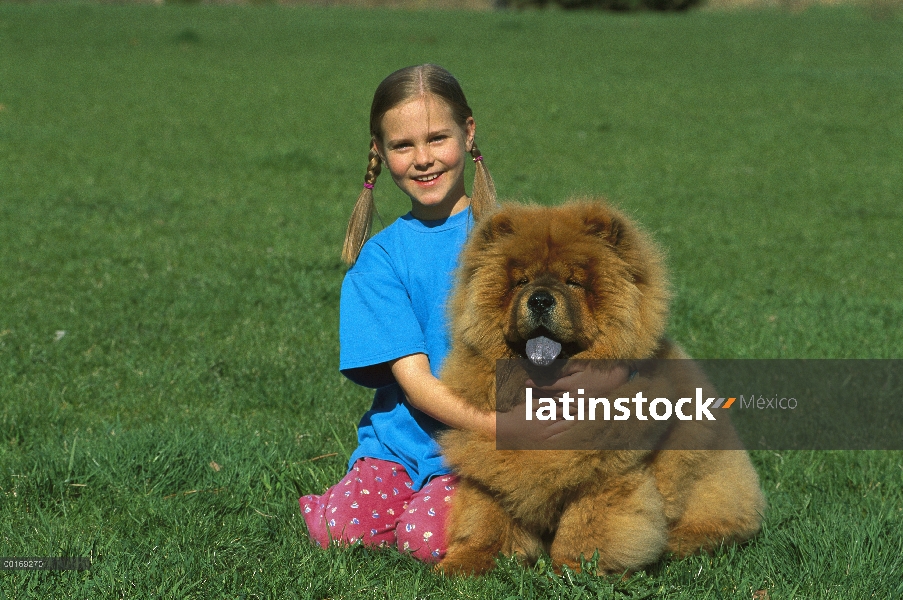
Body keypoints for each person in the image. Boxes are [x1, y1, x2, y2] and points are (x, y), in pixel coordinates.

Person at [300, 64, 627, 563]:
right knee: (339, 531)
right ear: (379, 152)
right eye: (403, 145)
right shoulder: (381, 259)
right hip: (404, 443)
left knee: (428, 539)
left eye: (437, 139)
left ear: (468, 133)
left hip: (481, 457)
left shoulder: (510, 239)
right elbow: (413, 381)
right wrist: (500, 426)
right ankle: (347, 502)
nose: (424, 159)